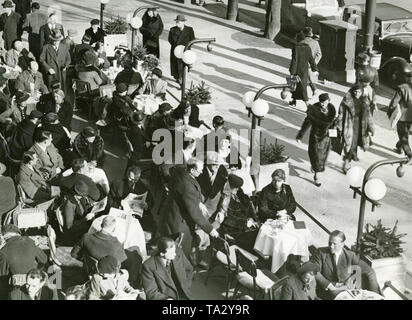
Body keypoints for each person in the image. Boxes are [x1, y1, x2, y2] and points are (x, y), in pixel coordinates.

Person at [158, 158, 219, 260]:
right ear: (192, 170)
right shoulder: (187, 186)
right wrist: (210, 229)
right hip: (179, 224)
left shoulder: (180, 172)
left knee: (168, 246)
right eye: (200, 170)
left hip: (170, 216)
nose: (202, 172)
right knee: (179, 252)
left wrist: (198, 202)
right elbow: (194, 212)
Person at [311, 230, 380, 300]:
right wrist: (328, 284)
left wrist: (375, 295)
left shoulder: (350, 256)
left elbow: (370, 271)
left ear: (342, 244)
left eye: (334, 244)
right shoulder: (321, 252)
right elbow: (313, 270)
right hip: (326, 290)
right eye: (330, 243)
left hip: (346, 290)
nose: (331, 246)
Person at [296, 93, 336, 187]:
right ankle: (317, 176)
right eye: (321, 102)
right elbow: (307, 123)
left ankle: (315, 167)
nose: (323, 104)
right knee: (316, 155)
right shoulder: (314, 110)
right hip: (315, 136)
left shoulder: (332, 109)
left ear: (328, 101)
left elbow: (332, 125)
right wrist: (300, 135)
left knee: (322, 157)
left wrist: (334, 137)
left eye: (325, 102)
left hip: (326, 137)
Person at [0, 224, 48, 299]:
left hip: (18, 288)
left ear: (4, 237)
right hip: (36, 281)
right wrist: (36, 270)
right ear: (18, 234)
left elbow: (3, 277)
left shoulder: (3, 251)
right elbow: (44, 259)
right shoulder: (30, 242)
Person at [215, 174, 259, 252]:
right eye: (236, 187)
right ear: (230, 186)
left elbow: (247, 205)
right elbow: (228, 219)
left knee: (259, 233)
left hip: (245, 223)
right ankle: (246, 258)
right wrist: (245, 223)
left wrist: (251, 218)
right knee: (253, 237)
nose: (238, 189)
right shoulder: (225, 199)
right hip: (233, 228)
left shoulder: (238, 193)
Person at [337, 84, 374, 173]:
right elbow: (341, 114)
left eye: (359, 92)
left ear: (362, 92)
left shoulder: (365, 101)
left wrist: (371, 128)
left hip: (360, 126)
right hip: (349, 125)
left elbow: (369, 116)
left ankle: (348, 159)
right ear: (352, 91)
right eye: (355, 92)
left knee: (356, 144)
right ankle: (347, 163)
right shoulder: (347, 100)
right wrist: (339, 126)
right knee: (350, 144)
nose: (357, 93)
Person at [60, 180, 95, 246]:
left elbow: (83, 209)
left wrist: (93, 207)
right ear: (76, 194)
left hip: (81, 223)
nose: (84, 197)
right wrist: (85, 219)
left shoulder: (80, 198)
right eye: (82, 195)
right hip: (74, 232)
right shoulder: (69, 204)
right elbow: (69, 226)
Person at [289, 32, 318, 108]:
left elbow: (294, 61)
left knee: (298, 87)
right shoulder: (307, 47)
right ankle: (293, 101)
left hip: (297, 71)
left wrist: (292, 72)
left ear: (298, 39)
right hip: (304, 71)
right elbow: (311, 59)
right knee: (300, 86)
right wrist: (314, 68)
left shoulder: (296, 48)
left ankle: (307, 105)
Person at [388, 71, 412, 161]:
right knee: (405, 133)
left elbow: (394, 102)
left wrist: (390, 112)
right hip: (411, 117)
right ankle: (399, 147)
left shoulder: (402, 88)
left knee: (403, 136)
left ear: (408, 78)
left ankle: (409, 155)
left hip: (401, 117)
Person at [168, 15, 195, 84]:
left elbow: (192, 40)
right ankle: (178, 78)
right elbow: (170, 39)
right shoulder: (172, 29)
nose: (177, 23)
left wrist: (186, 47)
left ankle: (181, 80)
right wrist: (176, 47)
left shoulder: (189, 30)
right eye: (176, 22)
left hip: (184, 51)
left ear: (183, 22)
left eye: (179, 22)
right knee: (176, 67)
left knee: (182, 67)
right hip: (175, 51)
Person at [300, 27, 322, 96]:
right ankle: (314, 89)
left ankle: (295, 99)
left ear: (304, 34)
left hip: (302, 64)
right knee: (309, 77)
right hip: (311, 64)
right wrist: (314, 63)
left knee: (299, 80)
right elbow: (319, 54)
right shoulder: (316, 43)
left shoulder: (301, 42)